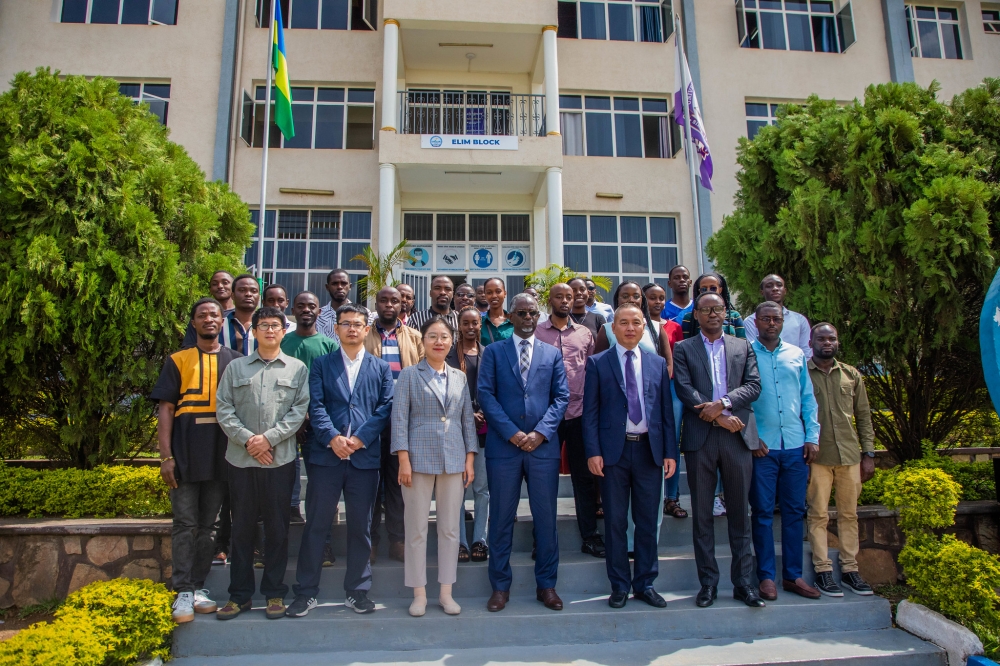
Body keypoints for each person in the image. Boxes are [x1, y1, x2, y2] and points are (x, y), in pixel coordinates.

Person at [286, 304, 394, 617]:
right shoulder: (321, 365)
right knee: (317, 525)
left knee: (361, 527)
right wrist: (332, 437)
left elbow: (384, 409)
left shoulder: (380, 368)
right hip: (326, 457)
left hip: (364, 459)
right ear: (336, 329)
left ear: (365, 329)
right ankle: (305, 593)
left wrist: (360, 439)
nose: (351, 329)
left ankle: (357, 592)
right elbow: (315, 406)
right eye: (345, 323)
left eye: (357, 324)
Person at [215, 306, 310, 621]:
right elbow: (223, 409)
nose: (270, 330)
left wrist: (268, 439)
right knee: (241, 529)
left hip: (279, 461)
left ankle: (274, 594)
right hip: (241, 462)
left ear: (284, 331)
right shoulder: (236, 368)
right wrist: (249, 441)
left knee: (277, 530)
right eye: (264, 325)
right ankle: (239, 597)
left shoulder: (296, 369)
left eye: (276, 325)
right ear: (254, 331)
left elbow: (298, 412)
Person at [478, 293, 569, 612]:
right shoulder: (492, 352)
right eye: (522, 313)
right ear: (511, 317)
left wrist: (541, 433)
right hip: (504, 448)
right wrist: (513, 433)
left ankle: (547, 585)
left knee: (545, 520)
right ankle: (500, 587)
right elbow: (486, 395)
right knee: (501, 518)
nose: (528, 318)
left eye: (533, 313)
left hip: (542, 449)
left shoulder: (551, 353)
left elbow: (561, 398)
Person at [672, 292, 763, 609]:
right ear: (695, 315)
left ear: (726, 313)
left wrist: (723, 407)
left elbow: (753, 385)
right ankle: (708, 584)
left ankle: (743, 584)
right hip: (701, 439)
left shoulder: (742, 345)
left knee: (740, 512)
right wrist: (714, 416)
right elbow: (684, 388)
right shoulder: (683, 348)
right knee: (702, 517)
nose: (712, 314)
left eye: (718, 309)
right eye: (705, 309)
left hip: (737, 436)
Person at [153, 298, 242, 623]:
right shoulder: (177, 360)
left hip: (221, 458)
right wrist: (166, 457)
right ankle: (183, 591)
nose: (208, 319)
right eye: (202, 315)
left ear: (222, 320)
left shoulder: (235, 361)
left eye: (214, 315)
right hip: (186, 458)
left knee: (208, 527)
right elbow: (165, 409)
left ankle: (199, 586)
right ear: (193, 322)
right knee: (185, 525)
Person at [583, 303, 677, 608]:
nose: (630, 328)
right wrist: (593, 451)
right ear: (613, 328)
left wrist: (670, 453)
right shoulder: (598, 363)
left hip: (650, 450)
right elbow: (591, 413)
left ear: (643, 327)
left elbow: (665, 413)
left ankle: (646, 583)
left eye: (636, 322)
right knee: (615, 522)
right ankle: (620, 585)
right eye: (623, 322)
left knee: (648, 521)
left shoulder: (657, 363)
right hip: (614, 453)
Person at [392, 316, 479, 616]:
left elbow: (467, 419)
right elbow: (400, 419)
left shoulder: (459, 377)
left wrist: (470, 458)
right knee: (416, 529)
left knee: (450, 529)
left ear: (451, 341)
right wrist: (403, 458)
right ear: (423, 341)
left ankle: (445, 592)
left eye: (444, 336)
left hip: (454, 457)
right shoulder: (408, 375)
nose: (438, 342)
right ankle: (418, 594)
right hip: (416, 459)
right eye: (432, 336)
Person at [748, 301, 821, 601]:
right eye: (765, 319)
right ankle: (766, 576)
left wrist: (812, 436)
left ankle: (793, 575)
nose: (771, 324)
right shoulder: (745, 353)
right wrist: (751, 438)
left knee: (794, 512)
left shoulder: (796, 355)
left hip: (794, 445)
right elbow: (740, 400)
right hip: (762, 448)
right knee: (763, 512)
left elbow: (808, 397)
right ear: (757, 321)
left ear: (782, 321)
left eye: (775, 319)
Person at [807, 323, 876, 597]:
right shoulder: (803, 374)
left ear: (837, 342)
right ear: (811, 341)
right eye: (821, 338)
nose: (827, 342)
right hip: (818, 457)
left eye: (831, 338)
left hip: (849, 456)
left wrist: (868, 454)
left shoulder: (851, 374)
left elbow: (864, 416)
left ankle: (850, 569)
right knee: (818, 515)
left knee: (849, 515)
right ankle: (823, 571)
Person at [535, 284, 603, 558]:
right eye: (559, 297)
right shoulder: (537, 333)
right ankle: (541, 540)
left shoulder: (586, 334)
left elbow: (592, 371)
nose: (565, 301)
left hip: (579, 413)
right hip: (547, 417)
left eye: (569, 297)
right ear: (549, 300)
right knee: (544, 479)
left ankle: (589, 535)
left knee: (584, 478)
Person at [365, 286, 425, 563]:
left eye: (395, 301)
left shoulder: (414, 337)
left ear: (404, 305)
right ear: (375, 303)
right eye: (384, 300)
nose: (389, 305)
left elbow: (424, 375)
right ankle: (370, 540)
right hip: (370, 420)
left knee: (399, 481)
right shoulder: (364, 335)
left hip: (404, 419)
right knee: (370, 483)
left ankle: (398, 539)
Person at [280, 292, 338, 538]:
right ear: (292, 309)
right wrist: (295, 419)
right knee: (284, 479)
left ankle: (321, 533)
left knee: (319, 482)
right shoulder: (282, 342)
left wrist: (308, 418)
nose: (306, 309)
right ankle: (290, 513)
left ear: (319, 311)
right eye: (300, 305)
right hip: (282, 424)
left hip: (317, 424)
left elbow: (333, 388)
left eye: (311, 306)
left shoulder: (329, 345)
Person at [446, 306, 490, 562]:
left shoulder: (489, 354)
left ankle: (480, 540)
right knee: (458, 489)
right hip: (455, 430)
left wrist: (482, 412)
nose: (471, 327)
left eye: (475, 323)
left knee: (482, 488)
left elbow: (495, 388)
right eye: (466, 323)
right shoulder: (450, 355)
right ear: (459, 326)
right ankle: (460, 542)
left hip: (484, 430)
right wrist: (466, 414)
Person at [643, 283, 687, 520]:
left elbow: (676, 361)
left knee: (671, 442)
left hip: (669, 388)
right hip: (641, 389)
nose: (658, 302)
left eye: (661, 298)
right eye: (652, 298)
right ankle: (652, 496)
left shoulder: (674, 327)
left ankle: (672, 496)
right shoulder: (635, 325)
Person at [744, 274, 811, 358]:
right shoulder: (751, 321)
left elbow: (806, 351)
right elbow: (752, 351)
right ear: (762, 292)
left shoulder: (800, 320)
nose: (775, 289)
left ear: (785, 291)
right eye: (769, 286)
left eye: (779, 285)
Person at [679, 273, 745, 340]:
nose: (708, 291)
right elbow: (686, 345)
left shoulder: (734, 316)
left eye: (713, 288)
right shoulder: (689, 318)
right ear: (699, 292)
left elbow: (742, 345)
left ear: (720, 290)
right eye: (704, 289)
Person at [316, 269, 375, 339]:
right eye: (334, 284)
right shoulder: (318, 316)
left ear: (350, 286)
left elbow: (370, 341)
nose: (339, 287)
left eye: (343, 283)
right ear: (327, 287)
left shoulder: (365, 313)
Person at [181, 271, 235, 348]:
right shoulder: (200, 317)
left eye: (225, 282)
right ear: (210, 289)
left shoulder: (239, 316)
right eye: (214, 284)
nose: (220, 286)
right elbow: (189, 347)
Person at [219, 274, 260, 355]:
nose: (248, 294)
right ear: (232, 295)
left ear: (259, 297)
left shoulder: (268, 326)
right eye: (242, 290)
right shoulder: (220, 325)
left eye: (254, 291)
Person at [481, 277, 514, 345]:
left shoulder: (514, 322)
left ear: (505, 293)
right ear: (485, 295)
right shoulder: (479, 323)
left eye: (498, 291)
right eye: (489, 292)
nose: (494, 296)